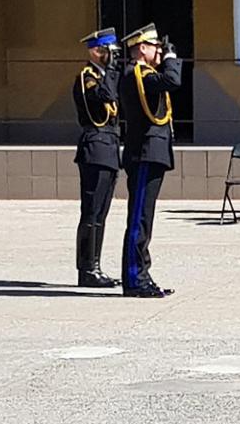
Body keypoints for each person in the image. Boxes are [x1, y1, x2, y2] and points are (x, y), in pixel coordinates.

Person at [115, 24, 181, 299]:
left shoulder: (146, 75)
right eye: (155, 46)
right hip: (143, 153)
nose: (160, 51)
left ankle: (143, 273)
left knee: (145, 219)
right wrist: (171, 60)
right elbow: (173, 81)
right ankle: (134, 278)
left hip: (152, 152)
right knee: (139, 218)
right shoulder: (136, 75)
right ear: (142, 48)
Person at [72, 28, 122, 288]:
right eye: (107, 51)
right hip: (95, 147)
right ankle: (87, 269)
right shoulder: (87, 77)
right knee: (91, 212)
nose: (111, 56)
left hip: (109, 148)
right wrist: (111, 72)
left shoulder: (103, 76)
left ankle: (95, 266)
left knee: (101, 213)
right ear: (95, 51)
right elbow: (106, 97)